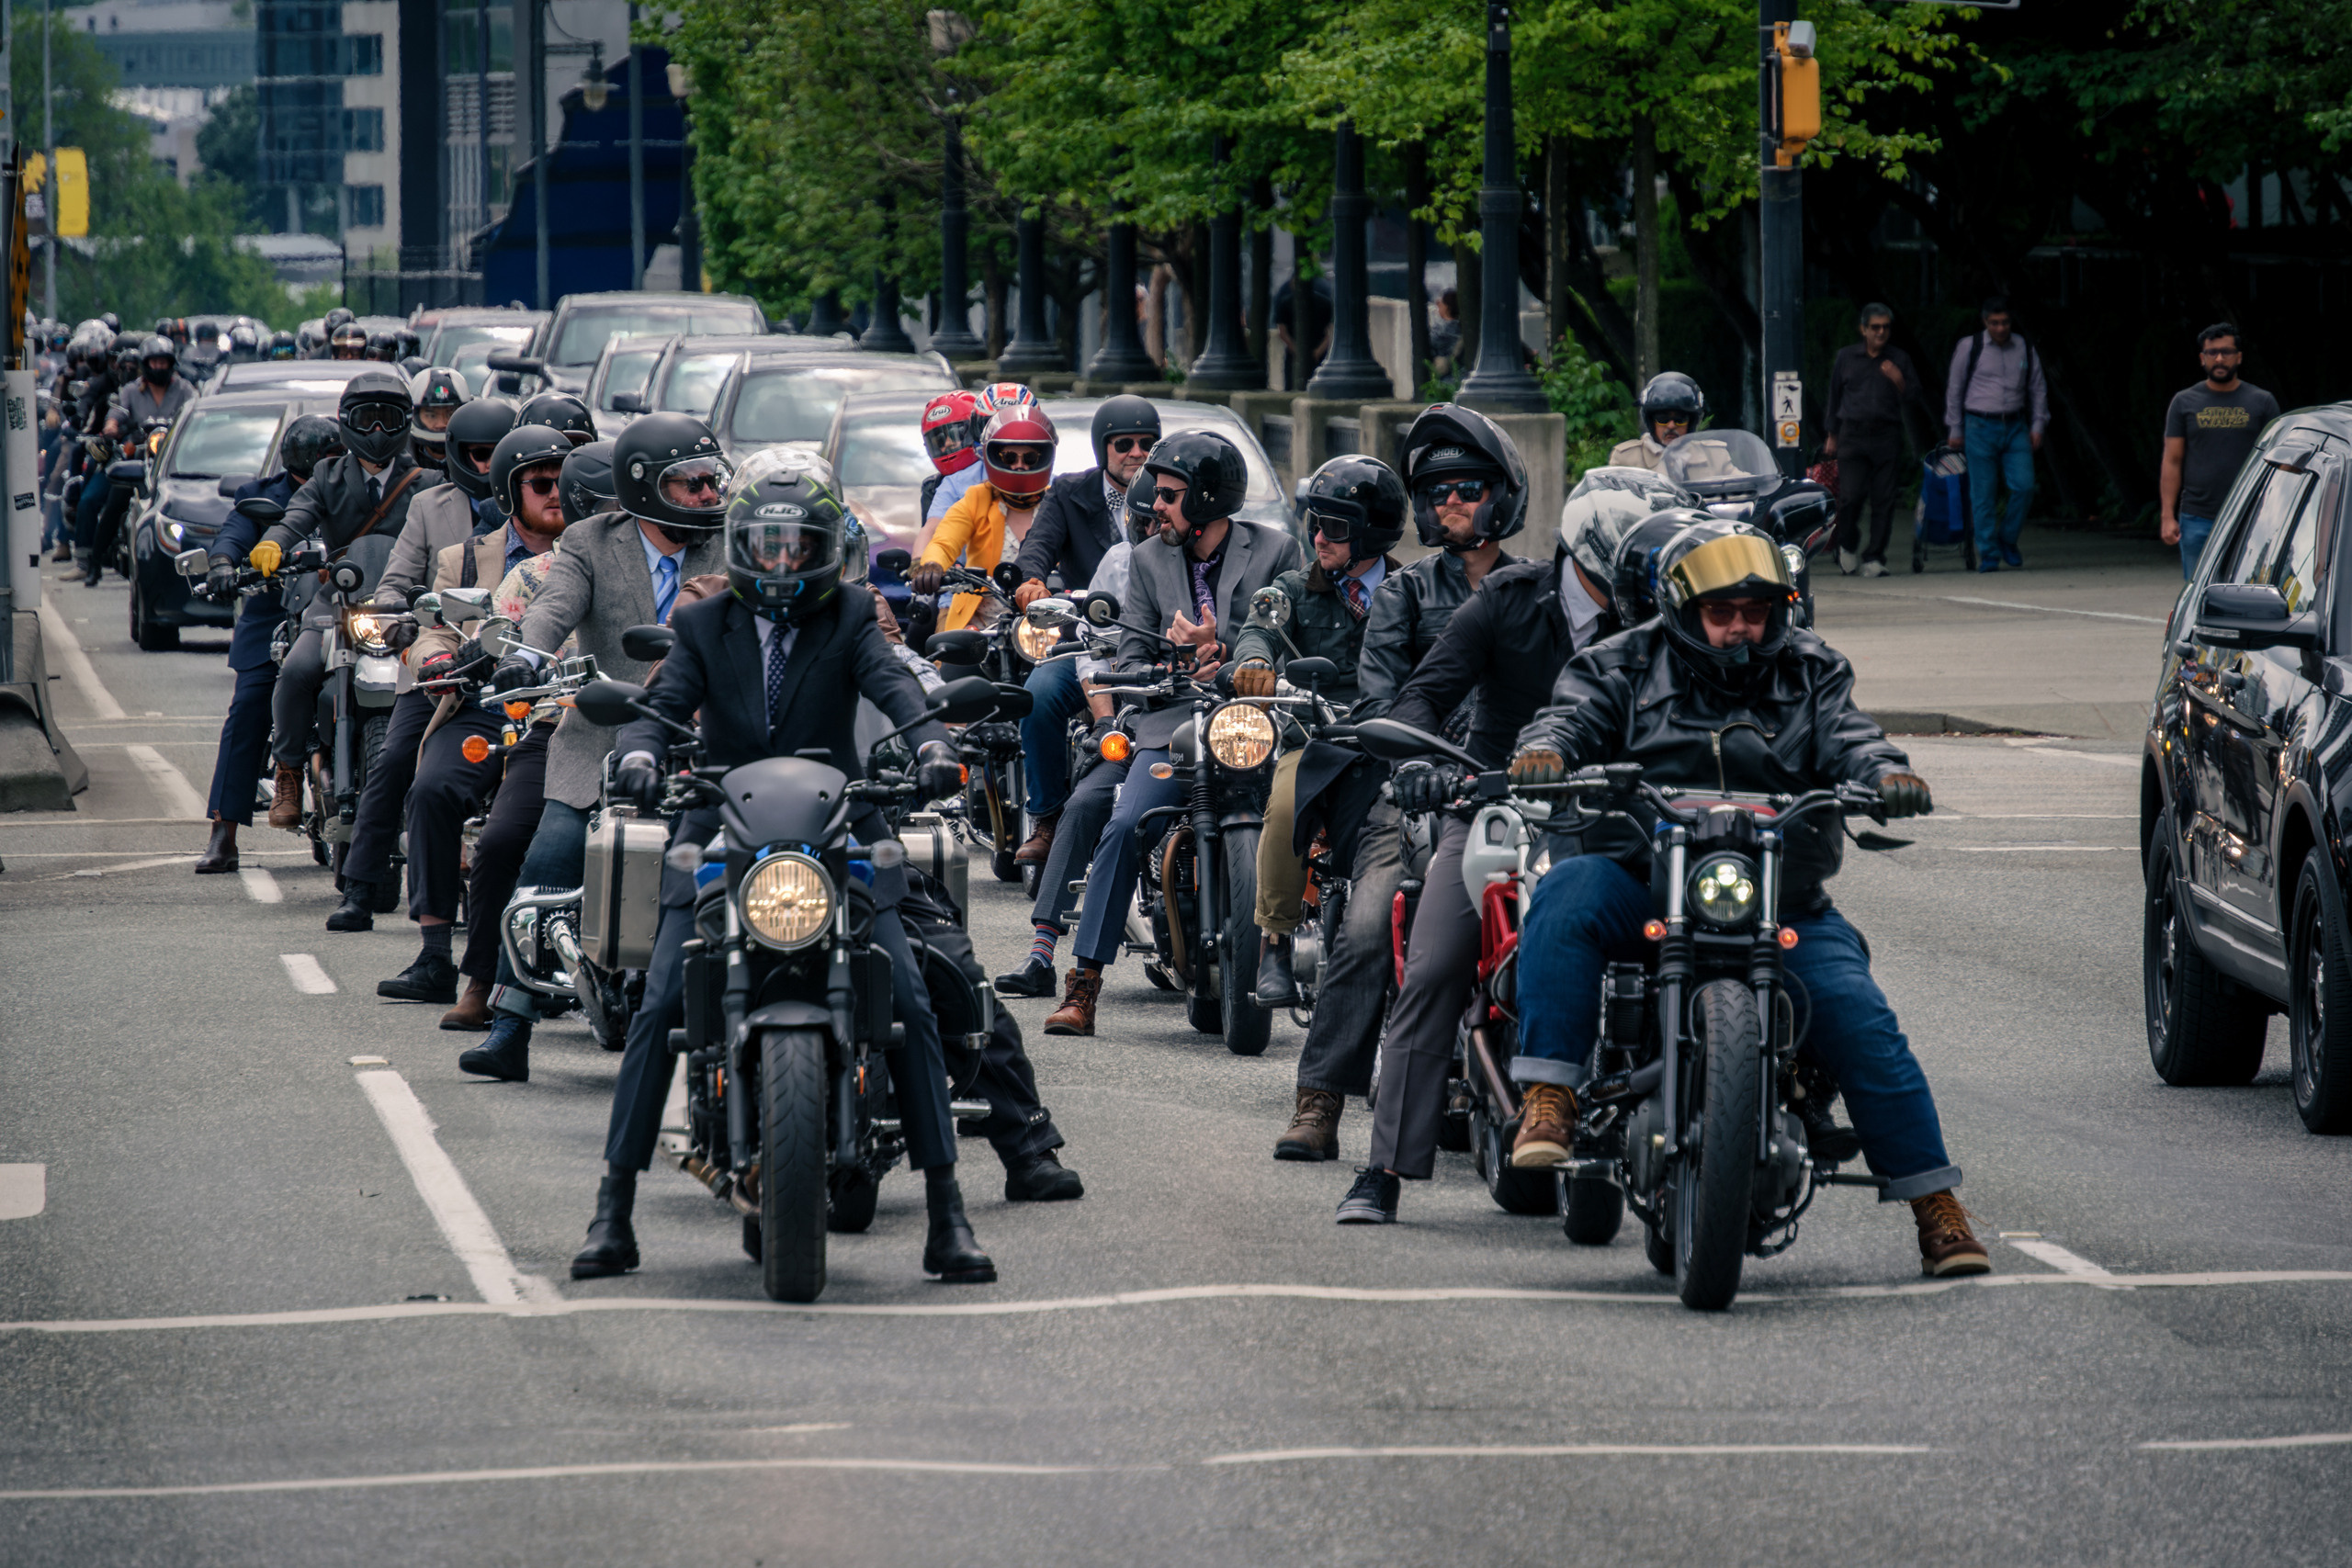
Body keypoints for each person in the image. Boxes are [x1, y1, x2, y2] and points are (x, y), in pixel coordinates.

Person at [1503, 520, 1987, 1277]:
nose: (1740, 628)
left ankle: (1937, 1205)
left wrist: (1885, 772)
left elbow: (1852, 735)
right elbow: (1571, 716)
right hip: (1643, 882)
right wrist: (1549, 751)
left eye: (1755, 611)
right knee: (1564, 896)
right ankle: (1550, 1097)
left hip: (1779, 898)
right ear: (1682, 608)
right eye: (1723, 611)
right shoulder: (1619, 663)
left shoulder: (1813, 670)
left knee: (1860, 1013)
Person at [571, 453, 996, 1285]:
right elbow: (658, 709)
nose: (778, 562)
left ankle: (948, 1216)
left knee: (907, 996)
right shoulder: (704, 624)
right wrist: (639, 755)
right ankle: (611, 1211)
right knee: (659, 1001)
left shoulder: (848, 617)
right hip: (720, 823)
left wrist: (935, 744)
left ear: (824, 549)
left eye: (795, 546)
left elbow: (896, 690)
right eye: (762, 546)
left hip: (841, 820)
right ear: (737, 547)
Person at [1332, 415, 1630, 1224]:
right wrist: (1421, 760)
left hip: (1607, 812)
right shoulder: (1506, 598)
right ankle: (1383, 1169)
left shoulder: (1649, 619)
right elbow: (1424, 691)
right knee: (1431, 966)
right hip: (1492, 800)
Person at [1269, 410, 1522, 1161]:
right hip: (1417, 789)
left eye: (1467, 488)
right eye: (1437, 491)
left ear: (1503, 495)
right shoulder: (1404, 595)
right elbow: (1380, 699)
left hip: (1521, 792)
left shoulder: (1536, 591)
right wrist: (1421, 765)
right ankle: (1319, 1099)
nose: (1450, 502)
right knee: (1372, 916)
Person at [460, 412, 733, 1081]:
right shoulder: (588, 540)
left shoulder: (733, 543)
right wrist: (523, 657)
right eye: (690, 484)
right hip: (602, 734)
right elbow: (553, 608)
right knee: (545, 859)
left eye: (711, 481)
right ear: (644, 489)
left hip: (710, 737)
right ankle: (509, 1022)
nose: (706, 495)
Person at [1039, 431, 1304, 1035]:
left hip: (1253, 722)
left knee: (1300, 816)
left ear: (1208, 499)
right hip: (1169, 722)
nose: (1154, 505)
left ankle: (1294, 949)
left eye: (1169, 495)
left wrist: (1228, 650)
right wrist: (1176, 662)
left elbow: (1293, 643)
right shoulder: (1147, 559)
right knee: (1125, 821)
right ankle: (1083, 984)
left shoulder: (1277, 551)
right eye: (1157, 494)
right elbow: (1130, 657)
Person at [375, 424, 575, 1007]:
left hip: (564, 708)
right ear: (511, 492)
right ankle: (434, 950)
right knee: (430, 786)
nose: (557, 494)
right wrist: (436, 656)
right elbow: (434, 628)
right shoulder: (466, 556)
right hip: (486, 700)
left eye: (566, 482)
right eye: (541, 483)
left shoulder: (593, 555)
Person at [435, 441, 626, 1031]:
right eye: (597, 504)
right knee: (504, 843)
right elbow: (526, 626)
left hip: (666, 732)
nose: (611, 515)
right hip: (558, 726)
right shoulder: (541, 571)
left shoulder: (702, 556)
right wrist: (512, 658)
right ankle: (487, 986)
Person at [313, 400, 511, 933]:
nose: (491, 466)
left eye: (501, 455)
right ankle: (359, 885)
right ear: (456, 455)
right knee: (396, 757)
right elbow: (397, 579)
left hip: (520, 668)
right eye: (480, 455)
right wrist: (395, 617)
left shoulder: (538, 505)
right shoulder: (429, 505)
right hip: (439, 661)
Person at [1228, 455, 1405, 1008]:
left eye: (1335, 527)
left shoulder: (1410, 590)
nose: (1319, 537)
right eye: (1315, 523)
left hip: (1389, 744)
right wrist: (1253, 664)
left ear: (1370, 534)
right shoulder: (1291, 589)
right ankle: (1275, 943)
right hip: (1316, 740)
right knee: (1283, 807)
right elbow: (1258, 630)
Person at [247, 372, 435, 839]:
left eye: (387, 417)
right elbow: (296, 517)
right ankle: (289, 771)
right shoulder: (325, 476)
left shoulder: (428, 481)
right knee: (295, 670)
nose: (375, 430)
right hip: (336, 603)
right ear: (346, 422)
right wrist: (273, 543)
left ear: (405, 423)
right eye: (365, 417)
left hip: (403, 609)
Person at [995, 468, 1159, 998]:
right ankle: (1044, 955)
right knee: (1087, 802)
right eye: (1146, 517)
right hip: (1139, 723)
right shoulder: (1122, 564)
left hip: (1213, 726)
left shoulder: (1238, 567)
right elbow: (1096, 654)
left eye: (1168, 511)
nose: (1155, 525)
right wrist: (1109, 722)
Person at [1004, 395, 1159, 870]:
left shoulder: (1172, 490)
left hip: (1155, 639)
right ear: (1102, 449)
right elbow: (1039, 545)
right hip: (1087, 639)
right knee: (1039, 696)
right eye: (1124, 444)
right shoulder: (1069, 493)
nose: (1136, 453)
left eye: (1146, 444)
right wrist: (1032, 581)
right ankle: (1049, 819)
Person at [192, 417, 345, 874]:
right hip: (276, 618)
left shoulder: (355, 487)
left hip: (346, 612)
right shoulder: (262, 495)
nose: (324, 466)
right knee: (249, 710)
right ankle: (225, 830)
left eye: (332, 456)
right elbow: (235, 535)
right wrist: (221, 564)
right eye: (316, 460)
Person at [909, 402, 1056, 630]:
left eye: (1030, 458)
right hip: (978, 624)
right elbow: (944, 539)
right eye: (1008, 457)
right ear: (992, 457)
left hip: (1048, 627)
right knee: (948, 661)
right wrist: (931, 566)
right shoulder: (976, 497)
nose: (1019, 466)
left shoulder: (1059, 500)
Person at [2161, 323, 2278, 581]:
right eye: (2212, 353)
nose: (2219, 358)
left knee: (2248, 590)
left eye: (2226, 352)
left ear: (2239, 357)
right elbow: (2172, 460)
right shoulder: (2184, 402)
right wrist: (2168, 516)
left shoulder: (2262, 402)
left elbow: (2277, 462)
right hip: (2197, 516)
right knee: (2198, 590)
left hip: (2251, 513)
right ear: (2202, 358)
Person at [79, 334, 196, 587]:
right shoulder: (131, 391)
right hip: (140, 456)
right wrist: (111, 426)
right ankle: (95, 564)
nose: (159, 368)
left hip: (175, 458)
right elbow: (116, 413)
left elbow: (196, 411)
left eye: (164, 363)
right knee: (114, 503)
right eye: (154, 363)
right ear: (145, 364)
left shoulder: (185, 389)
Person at [1823, 303, 1930, 577]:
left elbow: (1915, 396)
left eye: (1885, 327)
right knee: (1850, 496)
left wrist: (1898, 380)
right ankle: (1847, 543)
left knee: (1884, 499)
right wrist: (1832, 435)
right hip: (1853, 434)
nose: (1881, 332)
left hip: (1886, 434)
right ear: (1864, 329)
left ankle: (1874, 557)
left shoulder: (1899, 359)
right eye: (1875, 327)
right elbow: (1834, 395)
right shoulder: (1847, 357)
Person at [1944, 297, 2047, 573]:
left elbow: (2037, 387)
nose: (2000, 328)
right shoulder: (1971, 346)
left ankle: (2007, 539)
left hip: (2015, 424)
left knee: (2024, 486)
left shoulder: (2024, 346)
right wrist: (1955, 427)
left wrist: (2038, 424)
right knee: (1983, 493)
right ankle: (1988, 552)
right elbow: (1955, 387)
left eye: (2005, 323)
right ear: (1985, 322)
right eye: (1994, 323)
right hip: (1979, 424)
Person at [1609, 372, 1706, 472]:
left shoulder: (1716, 455)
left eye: (1680, 420)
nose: (1671, 426)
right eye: (1662, 419)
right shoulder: (1626, 458)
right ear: (1651, 421)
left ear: (1691, 423)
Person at [406, 367, 471, 473]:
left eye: (450, 414)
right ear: (415, 415)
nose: (441, 424)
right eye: (432, 415)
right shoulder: (398, 461)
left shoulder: (480, 458)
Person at [1273, 273, 1333, 384]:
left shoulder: (1284, 302)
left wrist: (1297, 350)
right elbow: (1330, 332)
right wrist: (1318, 351)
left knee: (1292, 384)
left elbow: (1282, 332)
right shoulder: (1325, 302)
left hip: (1294, 354)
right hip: (1319, 353)